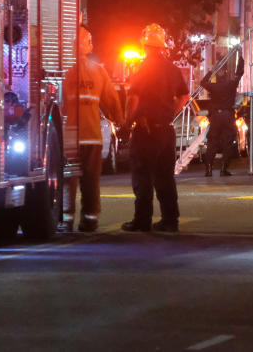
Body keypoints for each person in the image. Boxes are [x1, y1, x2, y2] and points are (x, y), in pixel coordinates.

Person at [121, 23, 189, 233]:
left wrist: (126, 123)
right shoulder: (173, 69)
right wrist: (171, 113)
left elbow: (134, 97)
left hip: (146, 130)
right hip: (166, 131)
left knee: (143, 176)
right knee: (165, 177)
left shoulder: (143, 68)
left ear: (145, 44)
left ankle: (142, 221)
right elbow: (184, 96)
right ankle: (170, 220)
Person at [62, 25, 124, 232]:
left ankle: (65, 218)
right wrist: (121, 120)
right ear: (87, 45)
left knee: (67, 179)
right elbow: (112, 100)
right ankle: (89, 218)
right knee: (90, 181)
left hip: (68, 136)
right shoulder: (98, 71)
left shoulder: (63, 69)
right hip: (91, 136)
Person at [200, 51, 242, 177]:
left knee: (212, 142)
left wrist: (211, 71)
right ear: (226, 75)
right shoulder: (231, 84)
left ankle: (208, 170)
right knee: (228, 143)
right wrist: (241, 58)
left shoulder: (213, 86)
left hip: (216, 117)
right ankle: (224, 169)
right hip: (228, 116)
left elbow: (202, 82)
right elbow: (239, 73)